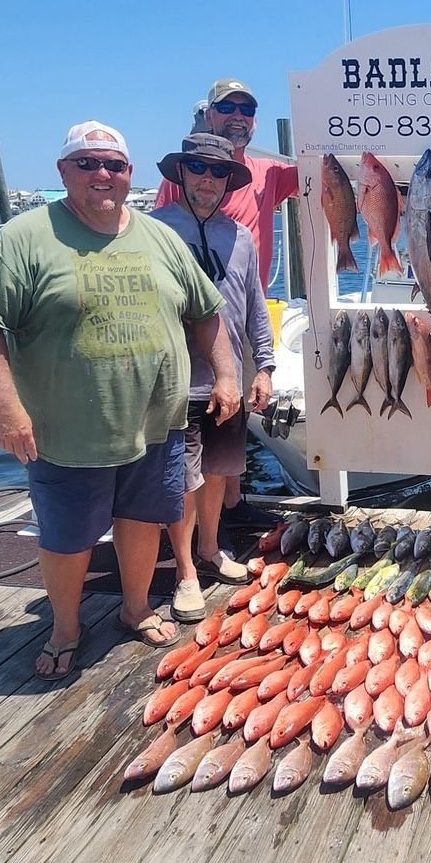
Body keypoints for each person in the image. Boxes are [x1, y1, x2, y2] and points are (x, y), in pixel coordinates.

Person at [0, 121, 237, 680]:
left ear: (130, 174)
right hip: (68, 427)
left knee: (141, 519)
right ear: (63, 171)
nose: (102, 174)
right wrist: (6, 408)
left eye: (113, 164)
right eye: (86, 163)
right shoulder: (25, 237)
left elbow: (205, 313)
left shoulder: (159, 236)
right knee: (67, 535)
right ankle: (65, 628)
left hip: (157, 420)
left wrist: (227, 374)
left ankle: (134, 608)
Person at [154, 78, 298, 530]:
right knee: (183, 452)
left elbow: (325, 173)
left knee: (228, 433)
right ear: (209, 114)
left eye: (247, 109)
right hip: (181, 341)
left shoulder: (270, 172)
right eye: (227, 107)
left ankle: (228, 514)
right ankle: (186, 540)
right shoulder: (167, 211)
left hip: (240, 320)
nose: (238, 116)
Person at [150, 133, 275, 611]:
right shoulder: (156, 230)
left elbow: (254, 305)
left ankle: (210, 548)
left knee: (219, 471)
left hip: (231, 378)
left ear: (229, 181)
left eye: (218, 172)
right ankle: (184, 572)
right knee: (182, 477)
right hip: (176, 380)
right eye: (199, 168)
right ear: (181, 172)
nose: (208, 179)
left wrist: (263, 365)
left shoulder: (240, 235)